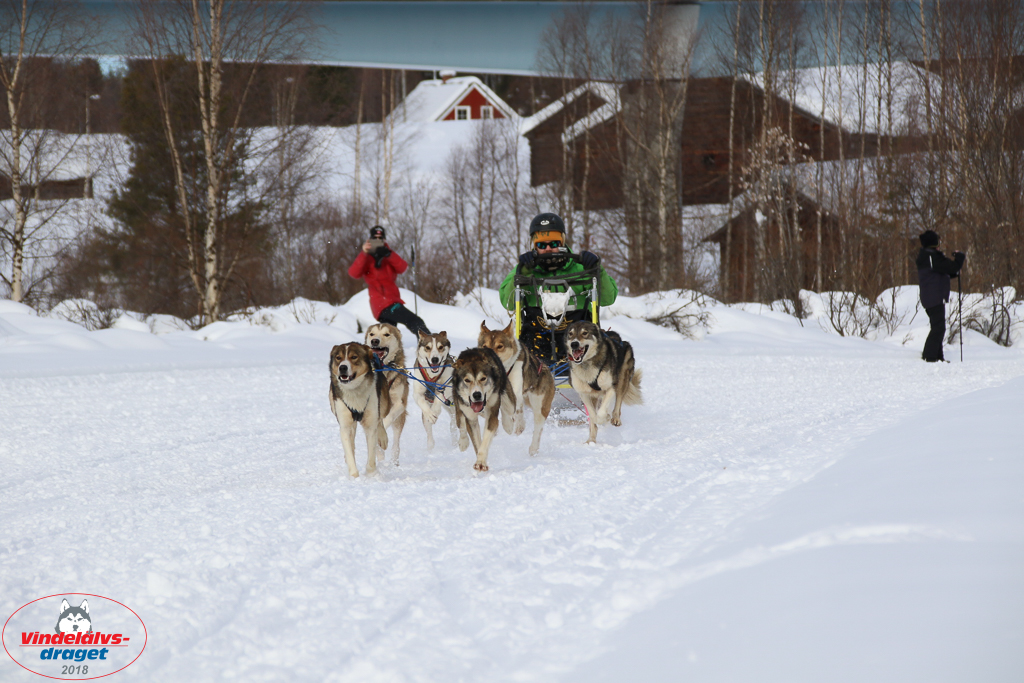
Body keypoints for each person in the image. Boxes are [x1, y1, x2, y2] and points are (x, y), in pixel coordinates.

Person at [498, 212, 618, 366]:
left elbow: (608, 298)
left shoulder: (581, 268)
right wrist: (522, 272)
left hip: (579, 343)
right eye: (542, 245)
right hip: (535, 344)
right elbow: (507, 302)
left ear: (562, 241)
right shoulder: (524, 270)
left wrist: (597, 269)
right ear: (534, 245)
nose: (548, 249)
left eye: (554, 244)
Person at [348, 225, 430, 338]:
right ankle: (429, 344)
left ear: (384, 240)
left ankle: (383, 350)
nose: (378, 240)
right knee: (415, 321)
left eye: (380, 238)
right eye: (375, 238)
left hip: (392, 300)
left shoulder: (388, 255)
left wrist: (389, 254)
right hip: (382, 302)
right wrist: (364, 252)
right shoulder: (367, 258)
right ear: (370, 239)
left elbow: (402, 268)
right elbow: (353, 273)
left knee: (389, 335)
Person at [916, 229, 965, 363]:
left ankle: (937, 357)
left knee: (938, 327)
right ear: (934, 243)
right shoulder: (932, 257)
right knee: (938, 328)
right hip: (934, 297)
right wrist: (959, 258)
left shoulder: (927, 256)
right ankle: (930, 356)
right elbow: (951, 267)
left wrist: (954, 272)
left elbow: (941, 271)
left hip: (931, 296)